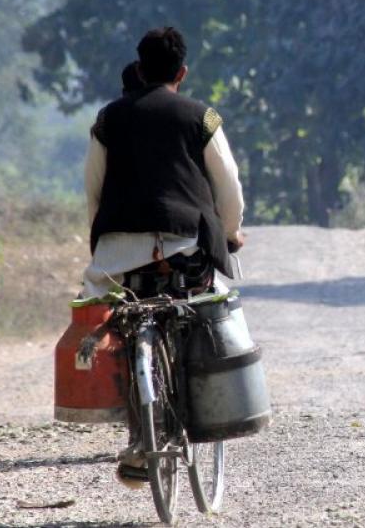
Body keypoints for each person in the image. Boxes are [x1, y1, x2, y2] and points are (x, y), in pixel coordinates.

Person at [81, 27, 245, 482]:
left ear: (139, 68)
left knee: (127, 323)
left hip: (120, 254)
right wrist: (231, 233)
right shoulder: (201, 117)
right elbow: (228, 186)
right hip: (186, 245)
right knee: (200, 312)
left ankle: (139, 435)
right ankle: (200, 410)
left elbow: (92, 191)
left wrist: (102, 245)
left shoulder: (107, 119)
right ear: (182, 72)